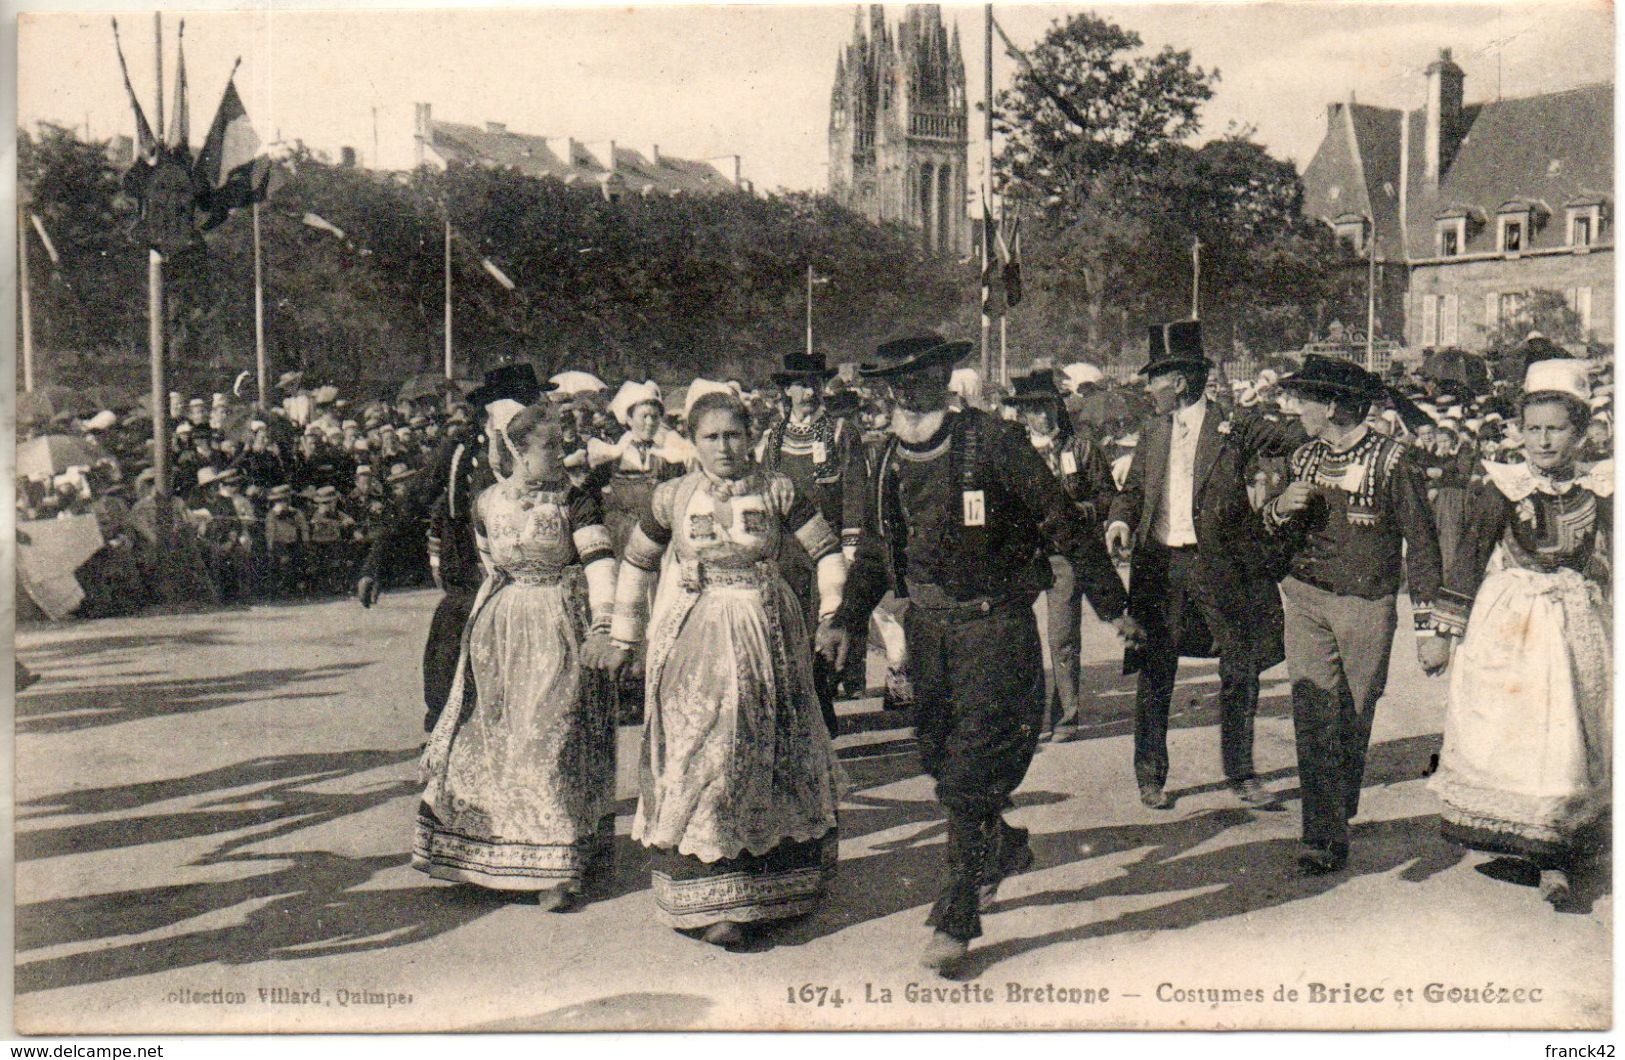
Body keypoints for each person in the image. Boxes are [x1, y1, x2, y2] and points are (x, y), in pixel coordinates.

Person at [836, 334, 1140, 973]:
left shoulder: (992, 443)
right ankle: (999, 845)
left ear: (943, 378)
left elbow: (1061, 520)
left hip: (994, 628)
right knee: (942, 764)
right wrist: (845, 619)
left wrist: (1112, 607)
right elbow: (871, 553)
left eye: (920, 380)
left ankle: (956, 910)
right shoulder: (886, 456)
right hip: (928, 632)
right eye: (895, 385)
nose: (907, 394)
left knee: (971, 775)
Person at [588, 390, 846, 948]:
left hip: (767, 636)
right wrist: (623, 635)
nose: (724, 447)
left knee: (766, 746)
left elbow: (827, 554)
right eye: (711, 437)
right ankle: (709, 898)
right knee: (700, 748)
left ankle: (772, 892)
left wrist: (831, 616)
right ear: (693, 439)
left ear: (749, 435)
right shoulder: (672, 497)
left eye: (733, 434)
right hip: (692, 637)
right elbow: (635, 563)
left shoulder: (778, 489)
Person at [416, 401, 619, 908]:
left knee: (548, 737)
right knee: (496, 737)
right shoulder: (487, 501)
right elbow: (489, 563)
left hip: (558, 625)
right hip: (501, 630)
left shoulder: (576, 501)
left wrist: (604, 626)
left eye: (562, 444)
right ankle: (491, 852)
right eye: (550, 446)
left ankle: (557, 867)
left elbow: (600, 566)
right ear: (519, 452)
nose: (561, 454)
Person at [1427, 359, 1612, 905]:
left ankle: (1565, 843)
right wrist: (1442, 632)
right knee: (1524, 730)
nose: (1543, 440)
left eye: (1556, 428)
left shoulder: (1600, 486)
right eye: (1533, 428)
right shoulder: (1504, 486)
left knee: (1578, 729)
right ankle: (1540, 853)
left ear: (1579, 433)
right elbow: (1466, 559)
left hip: (1577, 617)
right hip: (1513, 623)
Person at [1105, 321, 1302, 810]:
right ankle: (1150, 776)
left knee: (1240, 668)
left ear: (1179, 380)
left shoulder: (1232, 424)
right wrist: (1119, 520)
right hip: (1158, 567)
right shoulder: (1151, 432)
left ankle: (1241, 773)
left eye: (1154, 378)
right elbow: (1132, 492)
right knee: (1155, 671)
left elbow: (1296, 439)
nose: (1147, 388)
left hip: (1219, 567)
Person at [1262, 356, 1444, 875]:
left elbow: (1423, 546)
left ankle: (1336, 810)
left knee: (1353, 714)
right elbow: (1277, 531)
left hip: (1366, 605)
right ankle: (1322, 832)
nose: (1296, 409)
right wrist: (1280, 507)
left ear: (1335, 406)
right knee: (1313, 711)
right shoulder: (1303, 458)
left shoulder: (1393, 461)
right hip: (1304, 597)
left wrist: (1430, 629)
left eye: (1306, 401)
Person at [359, 364, 547, 733]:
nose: (532, 411)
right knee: (448, 669)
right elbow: (412, 503)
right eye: (524, 403)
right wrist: (374, 564)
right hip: (469, 583)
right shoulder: (462, 451)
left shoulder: (546, 451)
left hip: (530, 593)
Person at [757, 352, 866, 731]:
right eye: (800, 384)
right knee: (786, 629)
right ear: (786, 390)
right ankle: (792, 711)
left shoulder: (840, 432)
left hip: (828, 549)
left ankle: (820, 706)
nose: (808, 392)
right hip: (785, 551)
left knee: (826, 626)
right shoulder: (772, 438)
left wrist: (851, 546)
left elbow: (855, 491)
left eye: (814, 384)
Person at [1007, 371, 1118, 743]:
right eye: (1033, 410)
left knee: (1062, 637)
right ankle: (1025, 718)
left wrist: (1082, 511)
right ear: (1022, 414)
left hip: (1064, 556)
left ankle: (1066, 715)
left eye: (1047, 407)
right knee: (1017, 637)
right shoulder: (1013, 451)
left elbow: (1108, 497)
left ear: (1058, 407)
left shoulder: (1081, 448)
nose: (1042, 416)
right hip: (1023, 555)